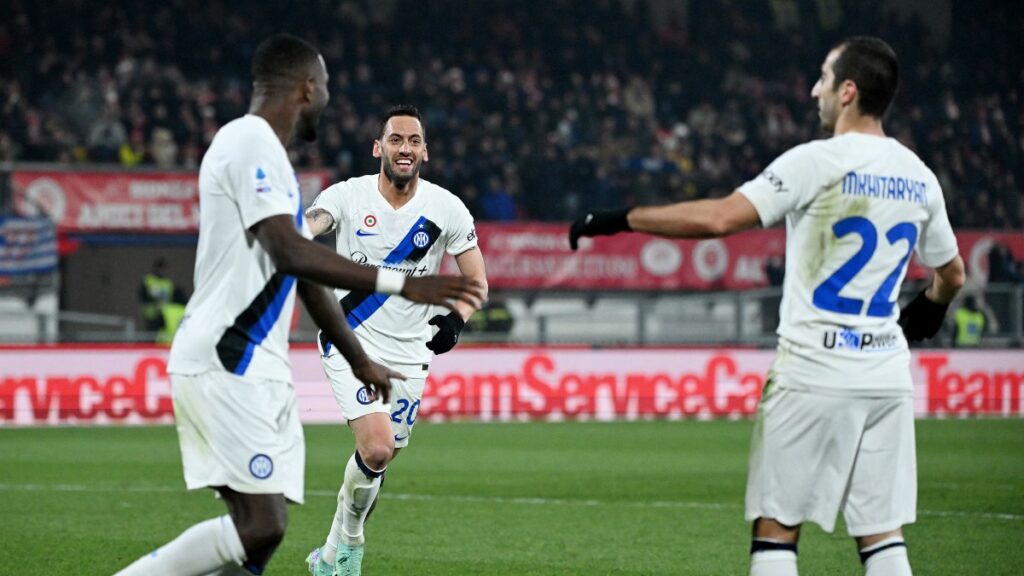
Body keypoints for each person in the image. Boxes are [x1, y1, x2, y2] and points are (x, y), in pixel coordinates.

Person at [570, 37, 965, 576]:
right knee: (882, 537)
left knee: (777, 534)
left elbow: (718, 220)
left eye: (823, 78)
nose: (813, 90)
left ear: (848, 91)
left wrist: (622, 219)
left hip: (813, 370)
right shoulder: (919, 174)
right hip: (886, 374)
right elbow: (952, 274)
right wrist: (933, 307)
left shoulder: (816, 161)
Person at [115, 36, 483, 576]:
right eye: (328, 86)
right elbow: (292, 247)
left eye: (415, 140)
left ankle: (335, 550)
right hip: (227, 353)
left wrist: (363, 358)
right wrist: (399, 285)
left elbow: (302, 267)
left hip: (271, 358)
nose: (330, 98)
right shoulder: (253, 147)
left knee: (263, 531)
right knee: (264, 522)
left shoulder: (276, 162)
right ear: (309, 88)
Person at [303, 104, 488, 576]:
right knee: (377, 448)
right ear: (378, 147)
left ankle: (326, 556)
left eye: (413, 141)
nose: (404, 148)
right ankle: (350, 548)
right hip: (352, 342)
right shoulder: (347, 195)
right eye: (395, 139)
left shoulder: (446, 208)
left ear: (424, 151)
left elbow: (477, 283)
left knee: (375, 471)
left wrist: (456, 320)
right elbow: (314, 222)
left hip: (411, 357)